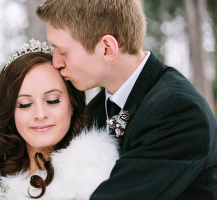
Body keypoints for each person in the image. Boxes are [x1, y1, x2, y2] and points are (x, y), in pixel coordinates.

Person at [36, 0, 217, 199]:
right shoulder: (95, 110)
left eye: (62, 51)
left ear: (107, 48)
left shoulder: (178, 111)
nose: (56, 62)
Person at [0, 39, 119, 200]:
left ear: (72, 104)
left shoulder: (95, 173)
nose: (40, 114)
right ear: (10, 112)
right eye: (25, 104)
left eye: (52, 100)